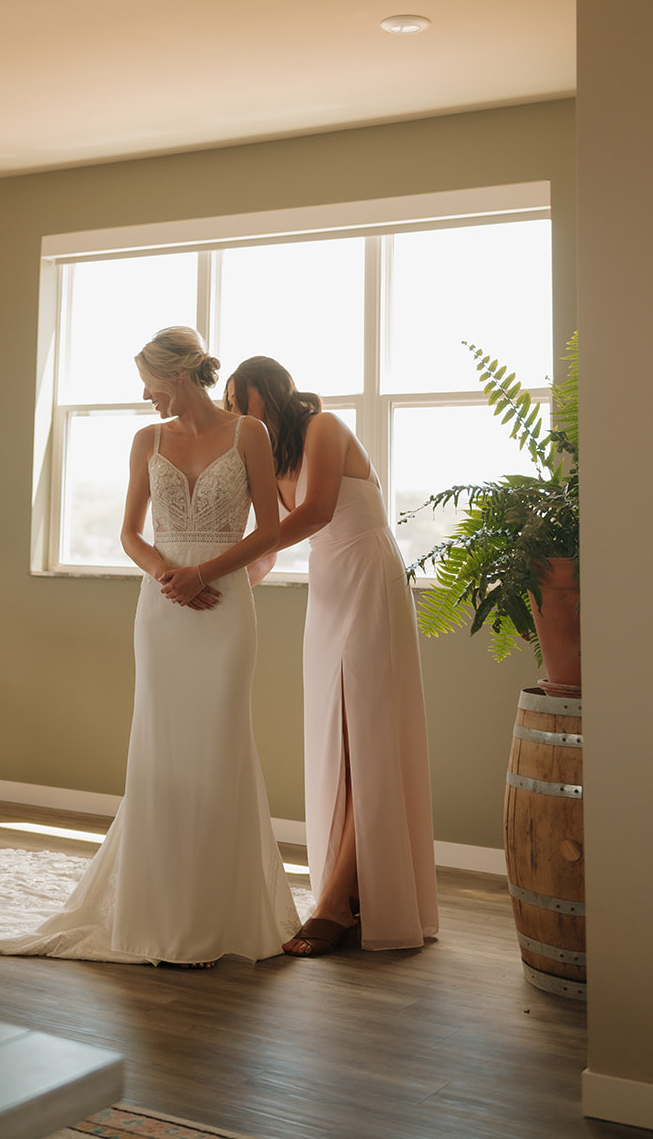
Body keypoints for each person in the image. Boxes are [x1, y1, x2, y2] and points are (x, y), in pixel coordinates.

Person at [0, 328, 300, 966]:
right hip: (163, 608)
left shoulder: (248, 435)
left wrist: (205, 572)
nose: (143, 396)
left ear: (175, 375)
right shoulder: (146, 441)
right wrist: (167, 574)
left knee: (218, 748)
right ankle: (160, 914)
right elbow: (128, 532)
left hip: (225, 606)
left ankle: (214, 916)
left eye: (147, 382)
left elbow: (273, 531)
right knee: (162, 748)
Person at [225, 356, 438, 956]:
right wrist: (223, 591)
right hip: (328, 587)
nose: (238, 415)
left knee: (364, 733)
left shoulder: (322, 427)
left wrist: (225, 563)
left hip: (368, 576)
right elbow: (265, 548)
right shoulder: (266, 454)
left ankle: (336, 899)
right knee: (336, 738)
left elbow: (317, 512)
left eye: (242, 401)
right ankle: (351, 888)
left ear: (270, 392)